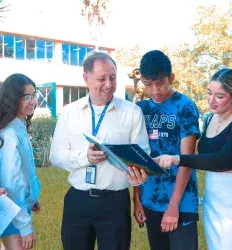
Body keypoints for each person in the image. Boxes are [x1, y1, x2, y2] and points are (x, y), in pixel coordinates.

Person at [49, 51, 150, 250]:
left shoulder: (132, 112)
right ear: (86, 78)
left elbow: (142, 158)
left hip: (115, 203)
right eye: (101, 79)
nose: (109, 84)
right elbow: (56, 155)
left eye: (112, 77)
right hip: (78, 201)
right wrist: (84, 158)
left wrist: (140, 175)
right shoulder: (70, 112)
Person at [155, 67, 232, 250]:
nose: (211, 101)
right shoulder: (208, 119)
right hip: (212, 197)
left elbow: (222, 160)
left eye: (219, 96)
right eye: (209, 93)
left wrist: (178, 159)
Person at [133, 50, 201, 250]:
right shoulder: (141, 108)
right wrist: (136, 199)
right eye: (148, 84)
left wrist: (173, 207)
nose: (155, 90)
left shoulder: (185, 106)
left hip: (181, 200)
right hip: (150, 198)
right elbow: (137, 157)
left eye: (160, 83)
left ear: (171, 78)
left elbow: (187, 160)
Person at [0, 74, 41, 250]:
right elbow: (12, 183)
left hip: (18, 207)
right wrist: (25, 226)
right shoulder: (10, 134)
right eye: (27, 97)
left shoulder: (19, 126)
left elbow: (26, 171)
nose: (32, 101)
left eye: (34, 95)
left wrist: (31, 197)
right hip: (12, 212)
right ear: (13, 99)